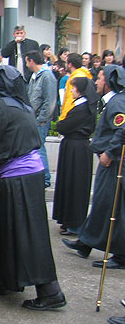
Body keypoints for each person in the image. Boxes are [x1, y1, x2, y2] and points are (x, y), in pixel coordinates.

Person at [0, 65, 66, 310]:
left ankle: (50, 291)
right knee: (4, 230)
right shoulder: (20, 106)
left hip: (17, 178)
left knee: (26, 234)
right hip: (20, 176)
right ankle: (3, 279)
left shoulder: (1, 108)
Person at [62, 65, 125, 268]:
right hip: (111, 163)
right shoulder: (114, 102)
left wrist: (110, 153)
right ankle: (86, 242)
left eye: (99, 78)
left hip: (115, 164)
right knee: (101, 204)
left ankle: (121, 255)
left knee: (112, 205)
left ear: (107, 81)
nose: (96, 82)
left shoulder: (117, 103)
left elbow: (122, 130)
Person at [53, 77, 98, 235]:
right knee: (69, 183)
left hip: (76, 149)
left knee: (75, 184)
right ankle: (68, 220)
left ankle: (74, 223)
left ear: (80, 90)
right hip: (73, 147)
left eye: (73, 88)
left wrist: (61, 125)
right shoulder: (82, 107)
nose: (71, 91)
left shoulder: (82, 108)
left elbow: (63, 126)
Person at [25, 50, 57, 188]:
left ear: (31, 60)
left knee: (39, 148)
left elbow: (50, 101)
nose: (26, 65)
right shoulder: (35, 76)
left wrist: (41, 119)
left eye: (26, 61)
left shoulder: (47, 76)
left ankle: (45, 178)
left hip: (40, 120)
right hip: (33, 119)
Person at [59, 52, 92, 121]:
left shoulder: (76, 78)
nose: (65, 65)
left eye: (66, 62)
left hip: (72, 118)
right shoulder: (81, 75)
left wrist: (64, 119)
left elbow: (70, 100)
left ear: (70, 65)